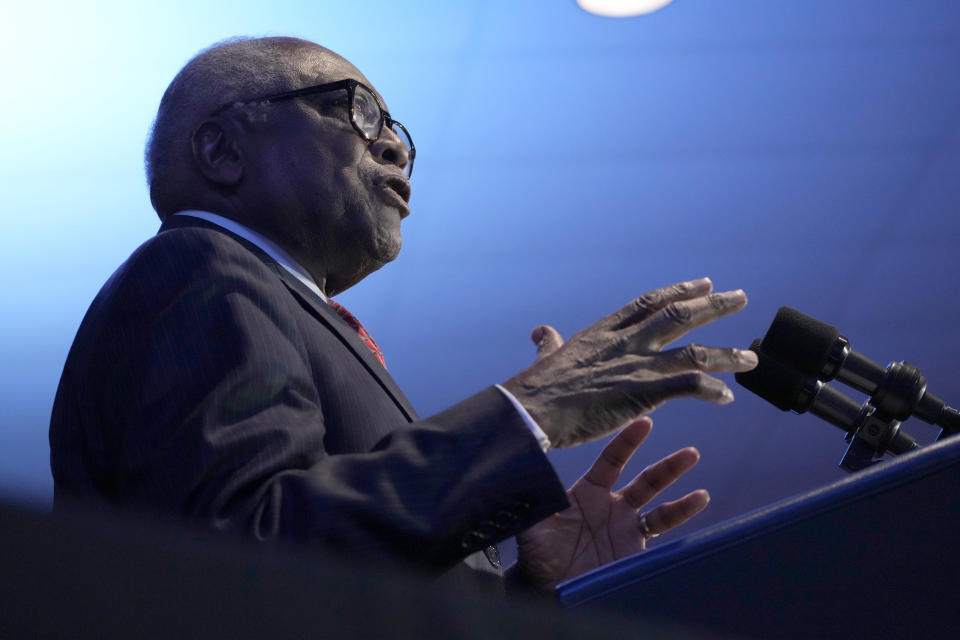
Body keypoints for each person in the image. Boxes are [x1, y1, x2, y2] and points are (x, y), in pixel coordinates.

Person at [49, 36, 758, 592]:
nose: (393, 146)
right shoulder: (197, 268)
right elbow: (244, 552)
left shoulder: (284, 307)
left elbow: (337, 591)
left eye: (396, 129)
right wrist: (526, 414)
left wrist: (530, 591)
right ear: (222, 149)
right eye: (357, 110)